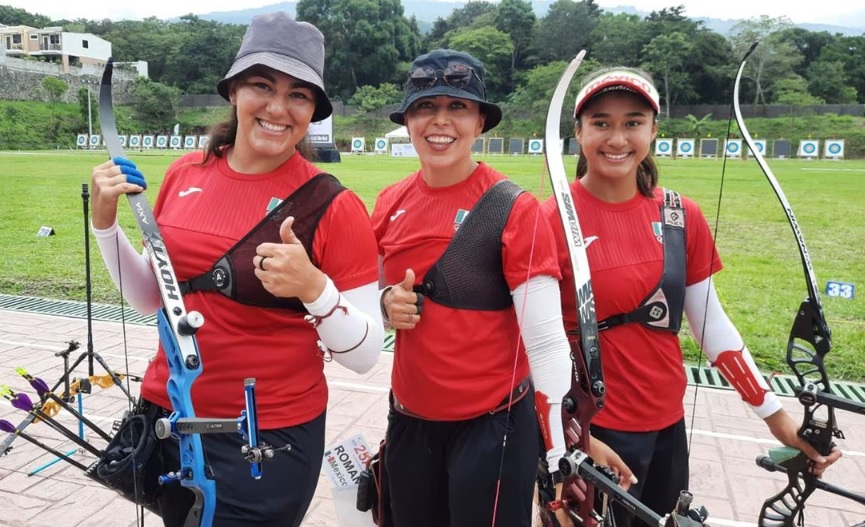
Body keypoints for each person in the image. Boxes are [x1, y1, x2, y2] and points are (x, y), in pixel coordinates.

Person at [90, 12, 384, 527]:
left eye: (298, 94)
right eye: (261, 85)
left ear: (312, 108)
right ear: (233, 92)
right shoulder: (186, 173)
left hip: (265, 439)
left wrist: (314, 289)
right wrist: (106, 225)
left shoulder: (332, 206)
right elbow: (154, 298)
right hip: (171, 418)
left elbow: (363, 357)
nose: (277, 107)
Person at [541, 66, 842, 527]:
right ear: (578, 131)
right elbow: (528, 345)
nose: (617, 137)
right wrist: (571, 438)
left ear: (654, 130)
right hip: (591, 427)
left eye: (633, 122)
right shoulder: (546, 220)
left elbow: (710, 324)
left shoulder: (680, 216)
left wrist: (775, 415)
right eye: (601, 122)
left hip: (665, 424)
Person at [370, 49, 631, 527]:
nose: (440, 122)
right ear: (407, 119)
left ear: (479, 122)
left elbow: (547, 340)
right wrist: (386, 304)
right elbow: (370, 299)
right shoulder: (390, 202)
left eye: (458, 108)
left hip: (491, 427)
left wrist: (557, 449)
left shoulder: (515, 208)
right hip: (409, 419)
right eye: (426, 107)